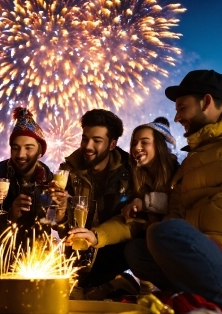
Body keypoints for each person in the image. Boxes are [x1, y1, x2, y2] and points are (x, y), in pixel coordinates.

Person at [124, 69, 222, 311]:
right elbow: (175, 212)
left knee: (168, 232)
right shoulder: (191, 160)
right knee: (138, 249)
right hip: (200, 251)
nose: (177, 117)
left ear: (206, 101)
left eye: (181, 107)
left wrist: (195, 228)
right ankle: (199, 298)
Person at [66, 116, 179, 299]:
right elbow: (129, 222)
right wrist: (96, 236)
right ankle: (118, 285)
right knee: (125, 247)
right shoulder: (138, 178)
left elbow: (180, 203)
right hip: (149, 245)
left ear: (159, 145)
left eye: (144, 142)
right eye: (134, 143)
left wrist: (148, 203)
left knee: (139, 242)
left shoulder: (177, 173)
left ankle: (166, 291)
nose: (137, 148)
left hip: (176, 247)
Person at [52, 109, 136, 300]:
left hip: (114, 248)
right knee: (65, 295)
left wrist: (97, 236)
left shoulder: (130, 172)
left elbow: (134, 222)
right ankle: (107, 285)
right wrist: (60, 210)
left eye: (97, 141)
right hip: (80, 249)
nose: (88, 146)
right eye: (84, 138)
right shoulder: (68, 172)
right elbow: (64, 230)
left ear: (112, 144)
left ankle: (118, 282)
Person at [0, 107, 53, 299]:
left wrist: (60, 213)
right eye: (15, 147)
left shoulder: (51, 184)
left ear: (40, 151)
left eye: (28, 147)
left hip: (35, 256)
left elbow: (52, 226)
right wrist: (9, 216)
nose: (21, 154)